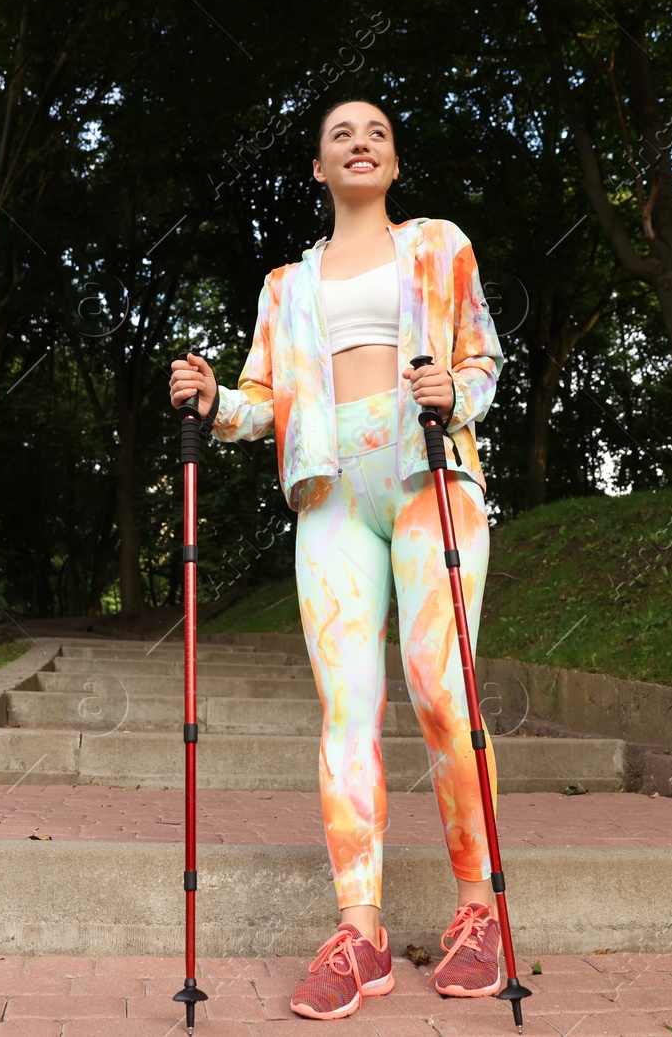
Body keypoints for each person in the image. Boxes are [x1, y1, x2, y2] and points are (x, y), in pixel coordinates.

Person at [167, 98, 505, 1021]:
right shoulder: (286, 284)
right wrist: (209, 398)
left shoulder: (440, 244)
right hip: (328, 492)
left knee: (442, 690)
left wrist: (456, 391)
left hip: (425, 471)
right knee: (346, 709)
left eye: (378, 135)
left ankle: (480, 909)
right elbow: (260, 402)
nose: (360, 144)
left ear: (394, 163)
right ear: (318, 169)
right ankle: (362, 931)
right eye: (340, 137)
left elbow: (482, 358)